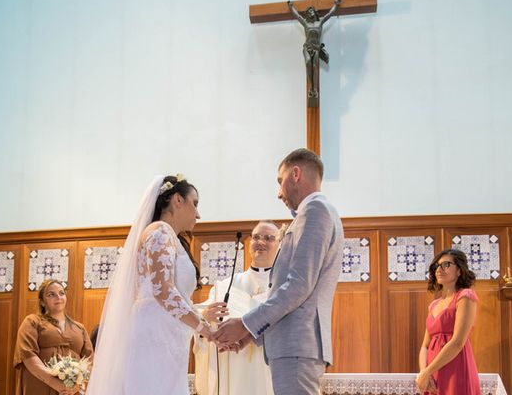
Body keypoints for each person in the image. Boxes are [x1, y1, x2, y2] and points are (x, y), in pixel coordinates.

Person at [215, 148, 344, 395]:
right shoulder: (312, 214)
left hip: (297, 345)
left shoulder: (315, 211)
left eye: (280, 181)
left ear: (295, 174)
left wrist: (245, 324)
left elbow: (298, 286)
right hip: (293, 345)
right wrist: (250, 336)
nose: (278, 193)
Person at [86, 174, 214, 395]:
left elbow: (175, 295)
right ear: (177, 200)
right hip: (155, 333)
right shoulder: (160, 231)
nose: (198, 214)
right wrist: (205, 328)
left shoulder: (172, 238)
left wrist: (201, 314)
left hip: (169, 332)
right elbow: (163, 292)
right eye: (195, 203)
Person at [194, 220, 282, 395]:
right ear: (249, 245)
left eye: (269, 238)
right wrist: (204, 316)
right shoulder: (225, 286)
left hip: (269, 369)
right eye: (256, 237)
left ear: (280, 246)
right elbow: (198, 322)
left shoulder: (285, 288)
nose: (261, 242)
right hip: (231, 369)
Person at [416, 249, 480, 394]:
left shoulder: (465, 296)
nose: (439, 269)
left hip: (455, 367)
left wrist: (427, 371)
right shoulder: (433, 305)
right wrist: (424, 373)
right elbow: (425, 346)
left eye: (446, 264)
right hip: (432, 371)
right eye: (436, 266)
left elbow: (458, 342)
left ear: (459, 270)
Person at [13, 279, 94, 395]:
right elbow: (27, 354)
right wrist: (55, 383)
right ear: (42, 302)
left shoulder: (80, 328)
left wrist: (78, 385)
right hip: (39, 385)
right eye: (51, 294)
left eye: (61, 293)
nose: (58, 297)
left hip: (72, 390)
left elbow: (89, 360)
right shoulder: (32, 321)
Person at [287, 0, 341, 100]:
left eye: (312, 11)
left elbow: (329, 14)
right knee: (308, 62)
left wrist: (336, 5)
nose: (311, 13)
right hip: (307, 48)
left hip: (316, 49)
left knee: (315, 66)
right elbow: (297, 16)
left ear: (315, 13)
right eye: (309, 12)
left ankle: (314, 89)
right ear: (307, 14)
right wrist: (291, 7)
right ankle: (311, 87)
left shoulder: (319, 23)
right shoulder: (305, 23)